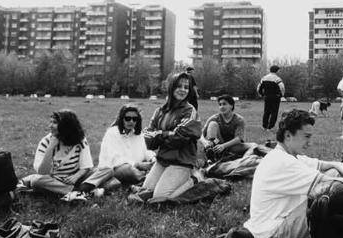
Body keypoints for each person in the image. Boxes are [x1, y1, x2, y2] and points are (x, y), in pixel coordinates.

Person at [243, 109, 343, 238]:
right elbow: (335, 186)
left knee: (332, 175)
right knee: (335, 198)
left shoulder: (290, 156)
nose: (310, 143)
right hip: (273, 234)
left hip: (277, 222)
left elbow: (334, 165)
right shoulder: (283, 162)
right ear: (288, 136)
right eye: (306, 136)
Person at [129, 72, 202, 204]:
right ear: (171, 87)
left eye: (186, 87)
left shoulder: (190, 111)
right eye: (179, 86)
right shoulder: (160, 111)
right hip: (162, 160)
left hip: (181, 162)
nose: (183, 90)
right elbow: (146, 138)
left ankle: (195, 179)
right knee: (146, 190)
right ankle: (159, 187)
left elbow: (180, 138)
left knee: (158, 198)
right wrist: (167, 133)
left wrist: (159, 134)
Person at [77, 104, 156, 195]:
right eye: (128, 118)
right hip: (115, 169)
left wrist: (152, 158)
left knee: (153, 165)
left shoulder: (138, 134)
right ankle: (146, 184)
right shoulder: (112, 133)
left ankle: (140, 184)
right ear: (122, 119)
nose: (131, 121)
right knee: (129, 170)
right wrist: (137, 164)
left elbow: (145, 151)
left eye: (135, 119)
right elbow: (114, 159)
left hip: (135, 169)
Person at [18, 109, 96, 201]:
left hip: (75, 178)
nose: (50, 126)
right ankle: (80, 193)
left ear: (66, 125)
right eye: (50, 122)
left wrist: (76, 176)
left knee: (104, 171)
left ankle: (60, 193)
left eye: (54, 123)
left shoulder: (80, 140)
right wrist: (50, 147)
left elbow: (87, 166)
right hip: (54, 180)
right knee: (37, 181)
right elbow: (42, 172)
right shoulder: (46, 142)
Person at [200, 94, 254, 162]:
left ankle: (242, 159)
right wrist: (205, 142)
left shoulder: (239, 119)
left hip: (232, 146)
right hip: (218, 143)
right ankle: (212, 154)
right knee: (213, 124)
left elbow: (238, 139)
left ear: (231, 106)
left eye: (224, 104)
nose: (222, 107)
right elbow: (201, 133)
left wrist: (224, 146)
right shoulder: (215, 117)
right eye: (220, 104)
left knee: (254, 146)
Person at [257, 65, 285, 132]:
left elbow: (258, 87)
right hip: (275, 97)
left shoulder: (264, 78)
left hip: (267, 97)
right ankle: (270, 127)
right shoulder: (277, 79)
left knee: (266, 112)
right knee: (274, 112)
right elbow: (282, 87)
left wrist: (261, 94)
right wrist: (282, 95)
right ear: (277, 71)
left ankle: (264, 126)